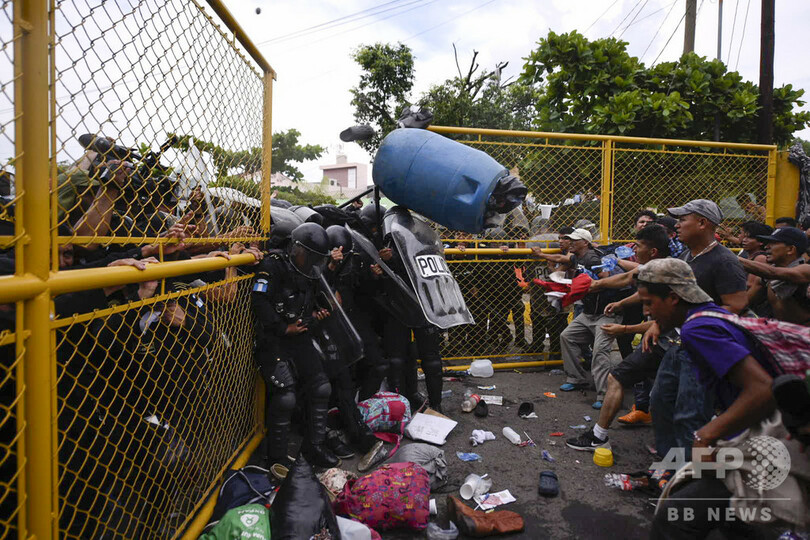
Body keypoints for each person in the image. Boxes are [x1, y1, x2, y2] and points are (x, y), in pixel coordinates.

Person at [640, 258, 805, 539]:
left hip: (776, 432)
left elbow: (763, 388)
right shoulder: (711, 314)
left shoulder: (697, 329)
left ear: (672, 297)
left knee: (675, 517)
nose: (646, 312)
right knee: (727, 514)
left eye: (649, 302)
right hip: (772, 427)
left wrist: (707, 435)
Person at [566, 224, 671, 450]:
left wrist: (625, 329)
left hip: (680, 340)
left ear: (652, 251)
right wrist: (603, 291)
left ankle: (680, 453)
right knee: (630, 379)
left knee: (672, 395)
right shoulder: (649, 269)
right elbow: (624, 280)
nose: (633, 249)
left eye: (638, 246)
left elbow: (680, 317)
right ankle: (600, 435)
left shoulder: (669, 271)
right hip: (660, 335)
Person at [252, 222, 339, 469]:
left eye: (315, 258)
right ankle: (276, 459)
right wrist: (282, 328)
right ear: (296, 248)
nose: (309, 261)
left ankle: (314, 447)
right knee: (285, 396)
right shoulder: (273, 265)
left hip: (299, 335)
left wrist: (316, 315)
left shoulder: (310, 271)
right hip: (274, 338)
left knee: (321, 387)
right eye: (307, 254)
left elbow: (310, 302)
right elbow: (260, 301)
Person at [533, 228, 620, 408]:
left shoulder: (594, 258)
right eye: (570, 239)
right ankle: (577, 378)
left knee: (600, 351)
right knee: (567, 336)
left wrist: (583, 286)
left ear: (585, 242)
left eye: (575, 240)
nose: (571, 242)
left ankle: (604, 395)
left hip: (605, 312)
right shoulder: (577, 257)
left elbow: (606, 278)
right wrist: (542, 255)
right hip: (588, 312)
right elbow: (561, 259)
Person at [744, 227, 810, 325]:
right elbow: (744, 303)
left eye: (773, 243)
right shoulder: (765, 278)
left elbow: (773, 272)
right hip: (779, 333)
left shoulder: (805, 269)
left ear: (791, 249)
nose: (766, 247)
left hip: (805, 334)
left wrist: (731, 258)